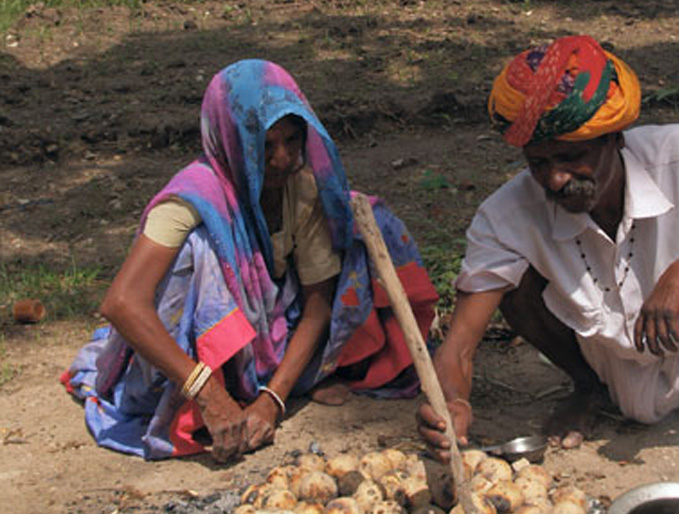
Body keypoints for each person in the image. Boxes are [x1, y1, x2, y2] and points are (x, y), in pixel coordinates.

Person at [418, 34, 679, 460]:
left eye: (571, 157)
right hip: (599, 357)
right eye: (539, 163)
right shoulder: (505, 215)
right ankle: (588, 390)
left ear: (616, 138)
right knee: (510, 284)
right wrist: (453, 402)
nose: (556, 179)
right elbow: (460, 345)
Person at [64, 59, 437, 462]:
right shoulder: (191, 199)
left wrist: (272, 401)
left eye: (293, 141)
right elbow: (122, 303)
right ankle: (205, 389)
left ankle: (270, 378)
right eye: (264, 146)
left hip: (267, 326)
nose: (283, 159)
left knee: (362, 223)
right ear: (232, 141)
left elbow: (318, 302)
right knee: (199, 250)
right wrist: (207, 393)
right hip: (199, 349)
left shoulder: (301, 186)